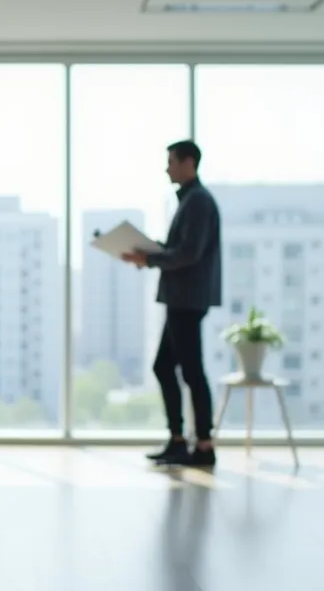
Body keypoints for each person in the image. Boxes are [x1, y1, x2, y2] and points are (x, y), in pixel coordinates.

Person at [122, 140, 222, 467]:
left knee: (191, 371)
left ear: (188, 162)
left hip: (187, 299)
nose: (167, 168)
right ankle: (179, 440)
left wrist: (150, 258)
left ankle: (203, 445)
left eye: (171, 161)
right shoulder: (189, 202)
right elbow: (181, 247)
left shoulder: (198, 202)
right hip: (181, 298)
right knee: (165, 367)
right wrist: (149, 254)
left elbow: (189, 253)